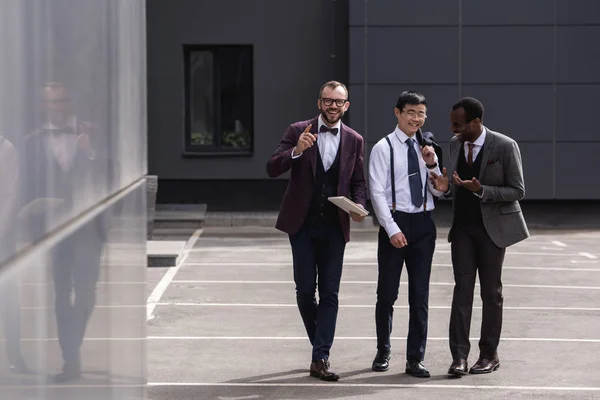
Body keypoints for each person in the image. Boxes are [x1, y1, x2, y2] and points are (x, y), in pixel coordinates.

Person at [266, 80, 367, 381]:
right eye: (327, 100)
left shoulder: (355, 140)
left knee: (331, 293)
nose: (332, 106)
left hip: (335, 227)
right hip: (302, 225)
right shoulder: (298, 130)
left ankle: (320, 356)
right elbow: (272, 167)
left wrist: (358, 207)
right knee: (305, 291)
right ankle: (319, 346)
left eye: (338, 101)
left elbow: (359, 182)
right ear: (319, 103)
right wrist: (295, 151)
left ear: (346, 105)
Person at [429, 97, 529, 376]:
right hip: (462, 228)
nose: (453, 128)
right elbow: (457, 187)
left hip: (491, 230)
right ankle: (459, 357)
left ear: (476, 122)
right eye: (452, 123)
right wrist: (446, 187)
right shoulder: (455, 143)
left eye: (458, 123)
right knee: (462, 291)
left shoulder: (505, 146)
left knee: (491, 293)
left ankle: (489, 355)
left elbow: (518, 191)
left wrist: (482, 189)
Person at [20, 82, 107, 382]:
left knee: (86, 294)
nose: (56, 108)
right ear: (43, 106)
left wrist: (90, 153)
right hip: (53, 230)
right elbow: (28, 188)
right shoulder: (31, 142)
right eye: (50, 103)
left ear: (70, 103)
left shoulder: (92, 131)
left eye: (61, 102)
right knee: (61, 295)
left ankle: (73, 343)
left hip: (88, 229)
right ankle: (70, 359)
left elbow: (113, 173)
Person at [368, 91, 444, 378]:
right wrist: (392, 229)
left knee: (419, 295)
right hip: (395, 222)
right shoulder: (383, 148)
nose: (416, 118)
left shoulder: (429, 146)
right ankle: (383, 349)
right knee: (387, 293)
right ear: (397, 113)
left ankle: (415, 358)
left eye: (421, 113)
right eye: (411, 112)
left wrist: (432, 164)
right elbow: (376, 192)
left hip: (424, 224)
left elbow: (438, 190)